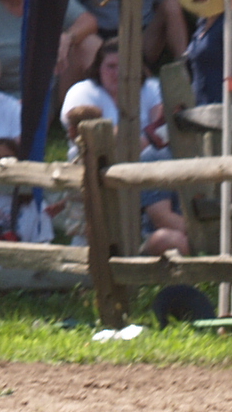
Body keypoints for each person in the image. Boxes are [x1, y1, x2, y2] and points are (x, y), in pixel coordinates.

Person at [63, 41, 186, 254]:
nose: (117, 73)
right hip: (97, 167)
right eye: (110, 66)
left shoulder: (151, 87)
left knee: (159, 155)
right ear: (98, 68)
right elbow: (99, 139)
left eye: (124, 66)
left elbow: (165, 127)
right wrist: (150, 136)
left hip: (144, 167)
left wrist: (149, 137)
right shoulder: (83, 92)